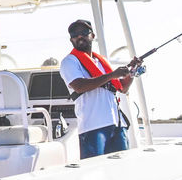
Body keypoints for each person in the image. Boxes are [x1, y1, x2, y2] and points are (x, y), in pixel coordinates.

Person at [59, 19, 140, 159]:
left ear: (92, 36)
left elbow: (123, 88)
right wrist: (113, 74)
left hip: (117, 125)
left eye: (83, 32)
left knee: (121, 168)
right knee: (94, 173)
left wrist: (132, 71)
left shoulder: (102, 61)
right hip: (92, 127)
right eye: (74, 34)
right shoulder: (69, 62)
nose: (79, 36)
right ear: (71, 39)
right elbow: (79, 86)